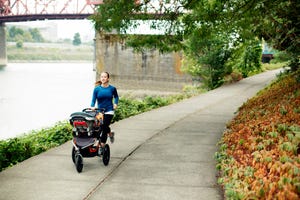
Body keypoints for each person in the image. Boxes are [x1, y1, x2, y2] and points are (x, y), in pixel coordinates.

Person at [90, 72, 119, 148]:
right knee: (100, 127)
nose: (103, 78)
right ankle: (110, 133)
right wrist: (92, 106)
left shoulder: (112, 88)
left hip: (109, 110)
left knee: (104, 126)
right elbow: (93, 100)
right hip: (100, 111)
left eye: (105, 77)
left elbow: (116, 97)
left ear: (108, 78)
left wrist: (115, 104)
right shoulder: (97, 89)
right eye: (102, 77)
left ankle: (102, 144)